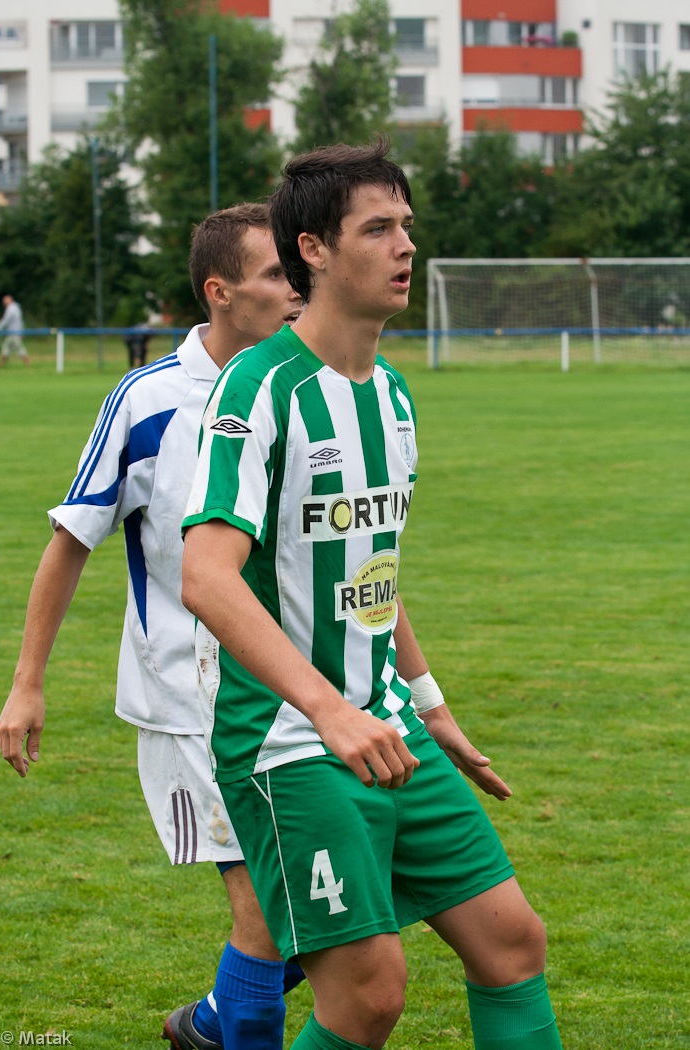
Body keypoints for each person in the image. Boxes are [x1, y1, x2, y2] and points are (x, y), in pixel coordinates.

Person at [181, 140, 564, 1050]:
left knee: (512, 943)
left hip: (384, 725)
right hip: (289, 740)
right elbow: (206, 577)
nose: (406, 247)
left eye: (407, 226)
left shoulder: (391, 395)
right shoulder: (259, 386)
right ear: (313, 250)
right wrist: (329, 710)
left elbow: (372, 573)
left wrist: (429, 708)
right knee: (369, 995)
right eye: (379, 228)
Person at [0, 204, 306, 1050]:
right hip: (190, 702)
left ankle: (208, 1023)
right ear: (220, 292)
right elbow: (71, 541)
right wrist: (27, 683)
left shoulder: (302, 387)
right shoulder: (149, 400)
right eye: (277, 274)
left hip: (299, 693)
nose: (297, 289)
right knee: (267, 916)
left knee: (340, 905)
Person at [0, 294, 30, 366]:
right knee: (6, 348)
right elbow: (20, 321)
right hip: (12, 332)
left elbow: (5, 320)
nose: (3, 302)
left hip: (13, 332)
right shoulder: (16, 307)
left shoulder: (11, 309)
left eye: (5, 300)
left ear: (9, 300)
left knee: (19, 348)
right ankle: (1, 365)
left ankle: (28, 364)